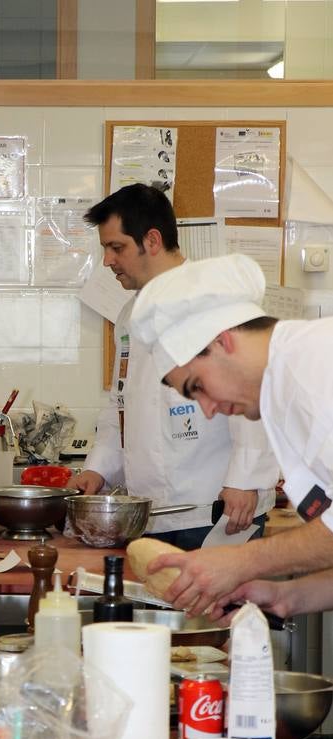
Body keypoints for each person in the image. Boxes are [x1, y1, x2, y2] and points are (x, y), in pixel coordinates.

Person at [68, 184, 278, 549]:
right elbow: (122, 402)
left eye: (116, 247)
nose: (107, 261)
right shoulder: (129, 315)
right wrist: (98, 469)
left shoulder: (213, 297)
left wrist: (246, 479)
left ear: (151, 240)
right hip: (151, 513)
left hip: (218, 508)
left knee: (219, 606)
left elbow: (254, 390)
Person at [129, 252, 333, 622]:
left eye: (197, 386)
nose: (207, 410)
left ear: (223, 341)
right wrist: (288, 596)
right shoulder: (283, 386)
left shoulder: (314, 367)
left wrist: (241, 561)